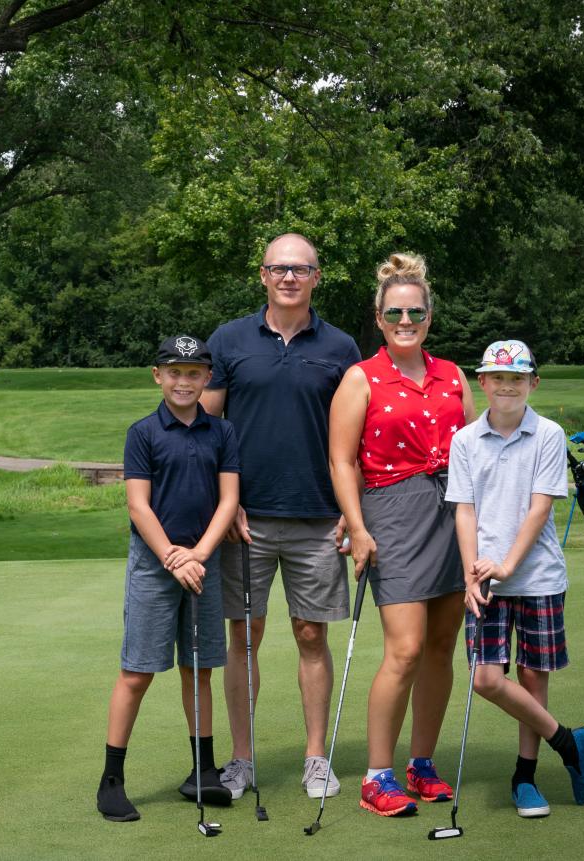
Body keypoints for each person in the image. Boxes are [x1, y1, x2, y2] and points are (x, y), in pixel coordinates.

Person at [201, 233, 361, 801]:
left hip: (319, 517)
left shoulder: (342, 347)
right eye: (278, 268)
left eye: (301, 269)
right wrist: (227, 502)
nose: (289, 277)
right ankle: (242, 760)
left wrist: (351, 509)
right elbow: (208, 430)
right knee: (244, 635)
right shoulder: (229, 340)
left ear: (317, 277)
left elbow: (356, 437)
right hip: (246, 518)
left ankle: (316, 758)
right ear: (263, 275)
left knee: (310, 633)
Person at [328, 252, 476, 817]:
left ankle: (421, 765)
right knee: (406, 648)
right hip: (391, 512)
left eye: (416, 311)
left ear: (429, 315)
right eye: (395, 312)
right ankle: (376, 775)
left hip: (454, 512)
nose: (406, 320)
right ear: (380, 316)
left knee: (442, 646)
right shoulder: (360, 378)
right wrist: (358, 527)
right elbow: (342, 461)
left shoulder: (454, 375)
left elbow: (474, 451)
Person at [446, 339, 584, 817]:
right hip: (485, 580)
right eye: (498, 378)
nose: (507, 386)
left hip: (537, 577)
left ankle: (524, 778)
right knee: (486, 678)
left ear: (533, 383)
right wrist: (471, 572)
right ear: (483, 382)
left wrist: (508, 565)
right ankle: (570, 743)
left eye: (518, 379)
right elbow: (464, 512)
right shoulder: (465, 440)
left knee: (533, 679)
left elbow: (539, 508)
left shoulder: (549, 434)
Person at [96, 335, 241, 822]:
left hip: (204, 560)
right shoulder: (143, 432)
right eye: (174, 372)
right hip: (156, 565)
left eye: (195, 372)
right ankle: (112, 779)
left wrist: (198, 553)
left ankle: (203, 770)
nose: (184, 381)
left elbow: (228, 501)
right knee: (137, 671)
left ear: (207, 379)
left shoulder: (221, 432)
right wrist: (174, 559)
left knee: (198, 670)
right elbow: (138, 504)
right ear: (158, 375)